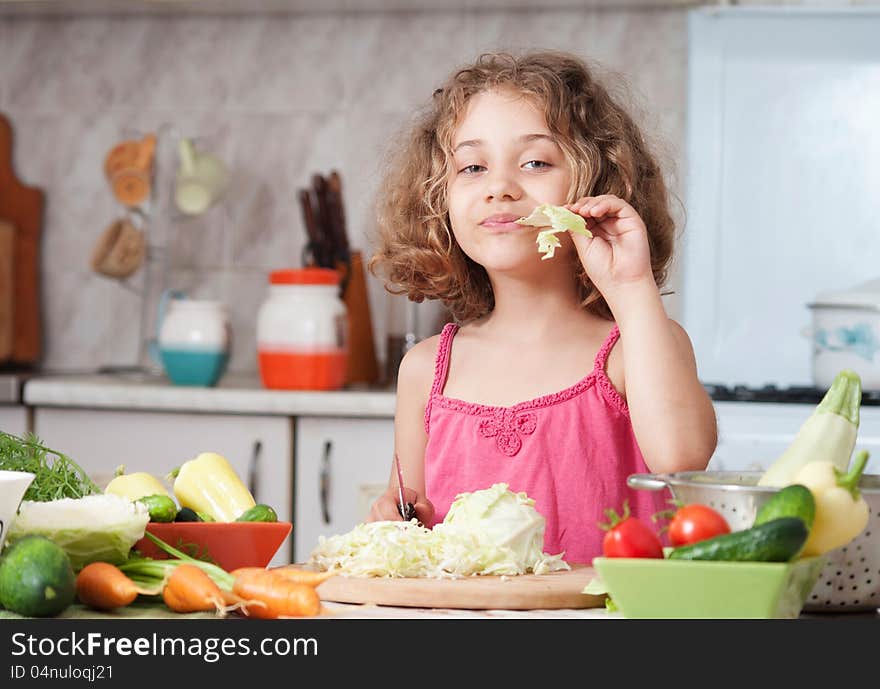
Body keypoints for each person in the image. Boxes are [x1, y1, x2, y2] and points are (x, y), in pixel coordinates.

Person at [366, 50, 718, 563]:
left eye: (535, 162)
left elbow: (683, 459)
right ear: (438, 201)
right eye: (472, 167)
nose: (500, 188)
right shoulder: (426, 371)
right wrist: (391, 520)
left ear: (598, 184)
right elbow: (408, 527)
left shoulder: (635, 348)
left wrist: (632, 285)